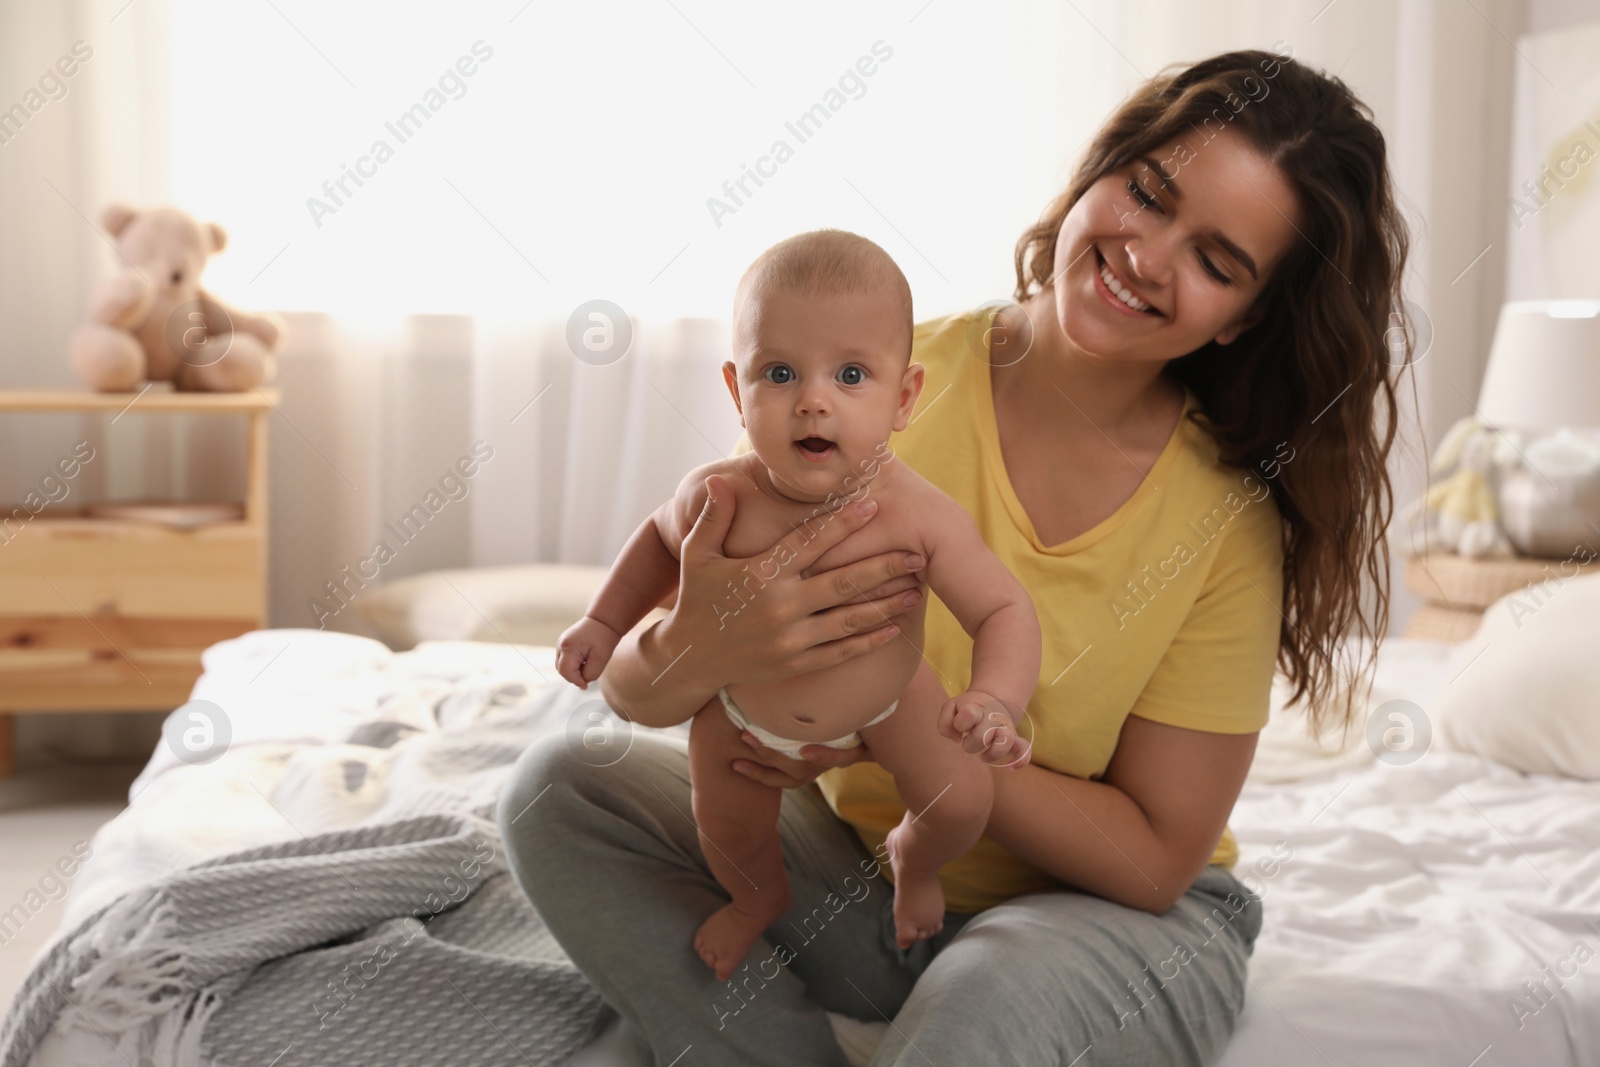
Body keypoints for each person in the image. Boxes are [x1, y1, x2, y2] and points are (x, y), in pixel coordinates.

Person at [499, 45, 1408, 1066]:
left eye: (1214, 260)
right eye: (1146, 194)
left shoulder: (1226, 516)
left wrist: (896, 729)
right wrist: (697, 640)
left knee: (979, 1004)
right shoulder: (871, 381)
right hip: (859, 886)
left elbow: (1154, 858)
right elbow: (641, 684)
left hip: (1098, 919)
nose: (1148, 254)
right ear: (1098, 172)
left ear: (1246, 318)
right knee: (555, 785)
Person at [551, 229, 1041, 976]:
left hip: (890, 697)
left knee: (964, 797)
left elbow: (1004, 609)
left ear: (904, 397)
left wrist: (994, 698)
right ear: (735, 391)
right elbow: (657, 541)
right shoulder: (719, 495)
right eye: (779, 372)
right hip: (743, 715)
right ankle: (757, 899)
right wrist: (604, 620)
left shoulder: (918, 513)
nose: (813, 401)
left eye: (851, 374)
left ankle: (917, 855)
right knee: (727, 828)